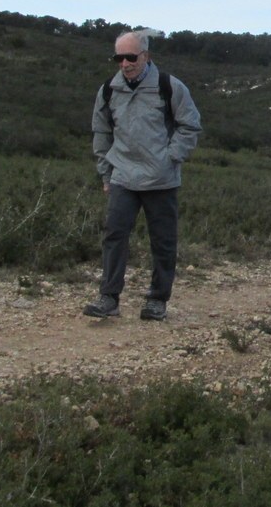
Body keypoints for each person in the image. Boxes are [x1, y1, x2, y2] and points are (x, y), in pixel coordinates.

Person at [83, 30, 202, 321]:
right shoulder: (108, 90)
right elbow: (101, 132)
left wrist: (170, 158)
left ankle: (157, 300)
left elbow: (190, 126)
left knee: (162, 241)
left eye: (131, 57)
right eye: (119, 57)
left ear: (146, 56)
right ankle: (109, 297)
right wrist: (105, 173)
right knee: (114, 235)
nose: (124, 64)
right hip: (123, 175)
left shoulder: (169, 86)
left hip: (161, 179)